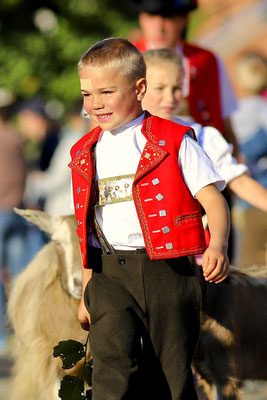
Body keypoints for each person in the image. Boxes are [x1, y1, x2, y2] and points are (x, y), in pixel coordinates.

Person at [69, 37, 230, 400]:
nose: (95, 104)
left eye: (106, 92)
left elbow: (213, 200)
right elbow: (87, 232)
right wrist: (86, 293)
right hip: (109, 276)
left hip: (169, 273)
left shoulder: (175, 141)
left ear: (139, 88)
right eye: (87, 95)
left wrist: (217, 242)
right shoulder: (83, 152)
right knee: (113, 367)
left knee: (170, 375)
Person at [142, 48, 267, 213]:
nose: (170, 97)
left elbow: (239, 181)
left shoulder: (198, 135)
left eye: (177, 88)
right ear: (139, 88)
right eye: (160, 88)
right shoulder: (114, 138)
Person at [131, 0, 240, 158]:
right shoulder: (124, 62)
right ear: (141, 17)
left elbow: (227, 127)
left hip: (205, 156)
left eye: (168, 17)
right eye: (151, 16)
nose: (159, 27)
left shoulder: (206, 61)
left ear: (184, 19)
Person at [24, 101, 88, 216]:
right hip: (68, 208)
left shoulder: (74, 139)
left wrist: (34, 182)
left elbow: (58, 178)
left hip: (65, 211)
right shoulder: (75, 137)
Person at [0, 94, 27, 352]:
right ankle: (23, 332)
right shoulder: (15, 137)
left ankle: (1, 336)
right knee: (20, 278)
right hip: (17, 211)